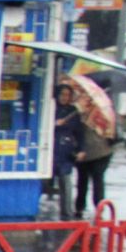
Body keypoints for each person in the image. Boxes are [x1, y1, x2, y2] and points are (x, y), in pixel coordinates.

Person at [76, 101, 115, 216]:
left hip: (100, 152)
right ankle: (84, 207)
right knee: (87, 180)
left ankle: (95, 207)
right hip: (87, 152)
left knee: (94, 179)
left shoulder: (103, 112)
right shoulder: (79, 112)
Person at [53, 83, 83, 220]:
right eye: (62, 94)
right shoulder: (51, 108)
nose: (65, 98)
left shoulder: (73, 112)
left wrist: (81, 149)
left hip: (65, 151)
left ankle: (66, 214)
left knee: (66, 182)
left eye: (68, 95)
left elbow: (79, 132)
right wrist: (54, 124)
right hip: (50, 150)